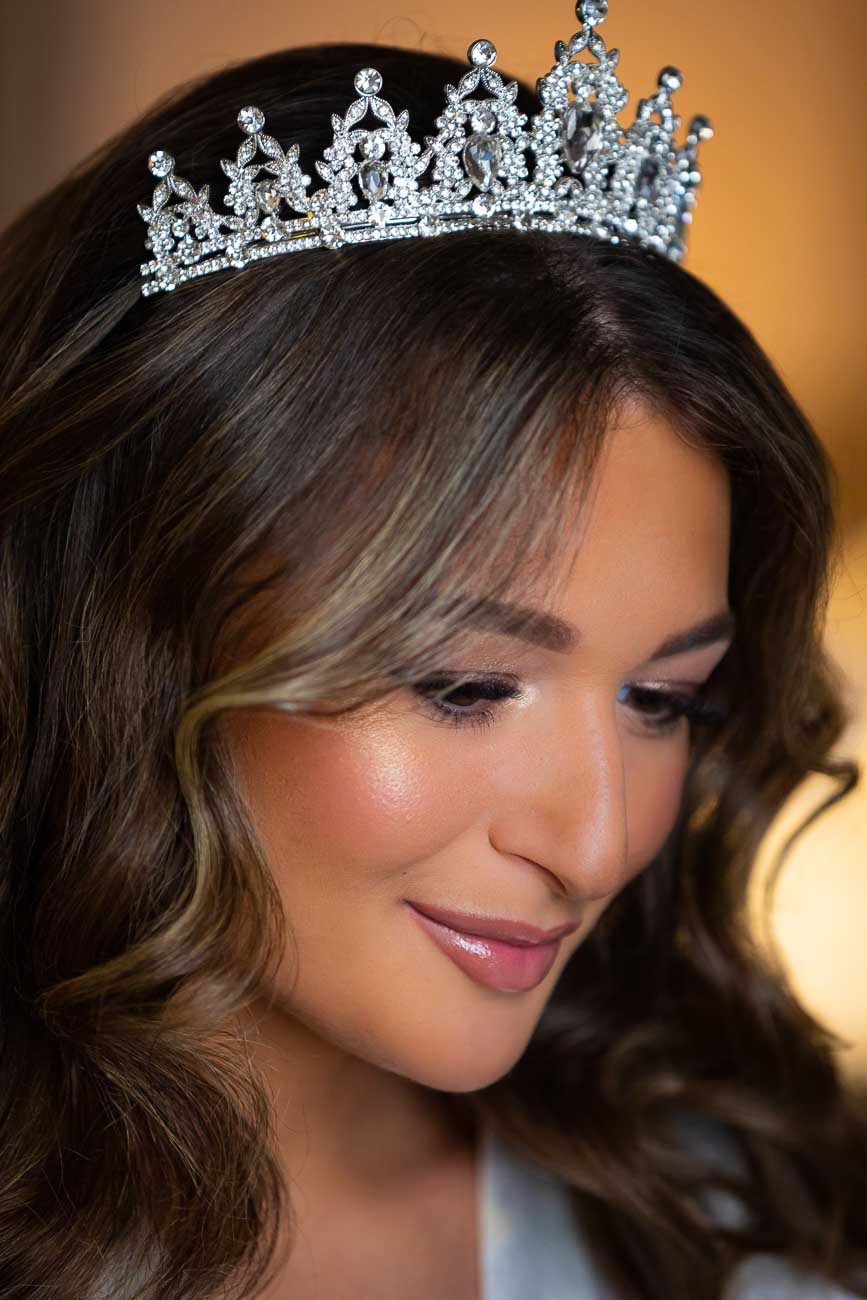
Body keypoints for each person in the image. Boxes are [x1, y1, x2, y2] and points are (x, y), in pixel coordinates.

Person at [1, 8, 866, 1300]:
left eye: (661, 698)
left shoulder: (729, 1225)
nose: (591, 845)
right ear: (140, 631)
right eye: (463, 686)